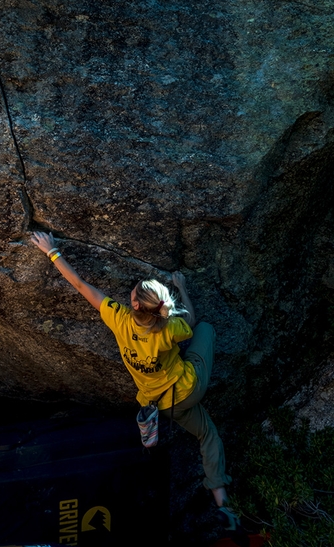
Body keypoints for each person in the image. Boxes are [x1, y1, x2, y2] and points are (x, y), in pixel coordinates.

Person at [31, 230, 245, 539]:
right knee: (206, 332)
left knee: (204, 432)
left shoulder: (118, 319)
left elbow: (80, 285)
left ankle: (221, 501)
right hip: (189, 387)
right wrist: (183, 290)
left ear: (133, 304)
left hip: (164, 405)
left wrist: (52, 251)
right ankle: (223, 504)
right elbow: (193, 323)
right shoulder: (170, 326)